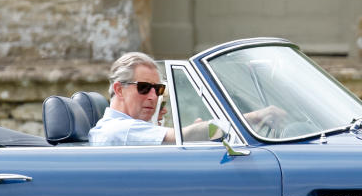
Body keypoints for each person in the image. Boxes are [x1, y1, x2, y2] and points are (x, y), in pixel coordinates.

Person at [89, 52, 284, 146]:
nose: (153, 96)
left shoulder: (126, 128)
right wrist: (252, 119)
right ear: (119, 90)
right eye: (144, 87)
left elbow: (185, 136)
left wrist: (200, 133)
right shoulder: (118, 129)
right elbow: (181, 137)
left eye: (157, 89)